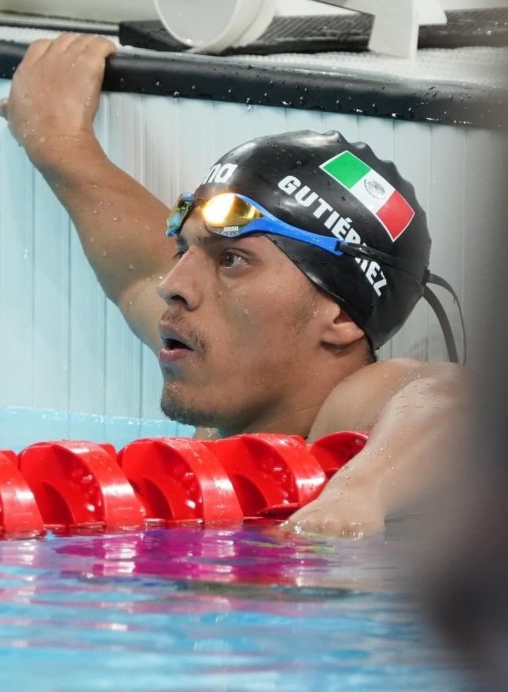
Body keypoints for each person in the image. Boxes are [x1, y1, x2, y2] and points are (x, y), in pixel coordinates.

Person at [1, 33, 469, 535]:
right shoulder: (229, 362)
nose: (174, 285)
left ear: (339, 316)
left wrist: (358, 494)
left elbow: (454, 399)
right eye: (184, 249)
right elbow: (136, 270)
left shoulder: (347, 416)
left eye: (231, 259)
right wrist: (60, 144)